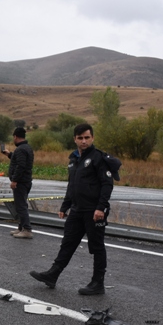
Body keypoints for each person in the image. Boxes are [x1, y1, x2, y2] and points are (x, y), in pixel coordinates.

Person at [30, 123, 114, 295]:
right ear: (75, 139)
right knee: (68, 243)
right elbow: (72, 185)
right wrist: (65, 205)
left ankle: (98, 283)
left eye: (87, 138)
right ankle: (52, 275)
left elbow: (107, 185)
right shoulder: (74, 159)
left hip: (94, 211)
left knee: (96, 247)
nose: (84, 141)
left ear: (92, 138)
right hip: (77, 210)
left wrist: (100, 208)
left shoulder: (99, 158)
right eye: (80, 138)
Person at [1, 127, 34, 238]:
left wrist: (15, 180)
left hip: (21, 182)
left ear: (15, 136)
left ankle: (27, 230)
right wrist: (9, 154)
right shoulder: (26, 148)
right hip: (26, 181)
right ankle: (21, 228)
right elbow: (19, 160)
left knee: (21, 206)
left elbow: (21, 166)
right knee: (21, 204)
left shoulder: (20, 149)